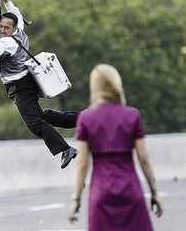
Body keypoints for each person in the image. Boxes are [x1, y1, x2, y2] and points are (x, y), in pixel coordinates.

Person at [0, 0, 79, 168]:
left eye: (6, 28)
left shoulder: (4, 44)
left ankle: (65, 149)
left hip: (19, 87)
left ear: (13, 28)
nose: (2, 30)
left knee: (34, 124)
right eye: (1, 26)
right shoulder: (19, 31)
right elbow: (15, 13)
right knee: (42, 117)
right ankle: (81, 120)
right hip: (27, 81)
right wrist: (6, 0)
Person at [67, 64, 162, 230]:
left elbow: (82, 164)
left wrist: (76, 199)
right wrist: (154, 193)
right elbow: (144, 159)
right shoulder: (132, 115)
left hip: (101, 192)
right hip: (130, 189)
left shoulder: (86, 119)